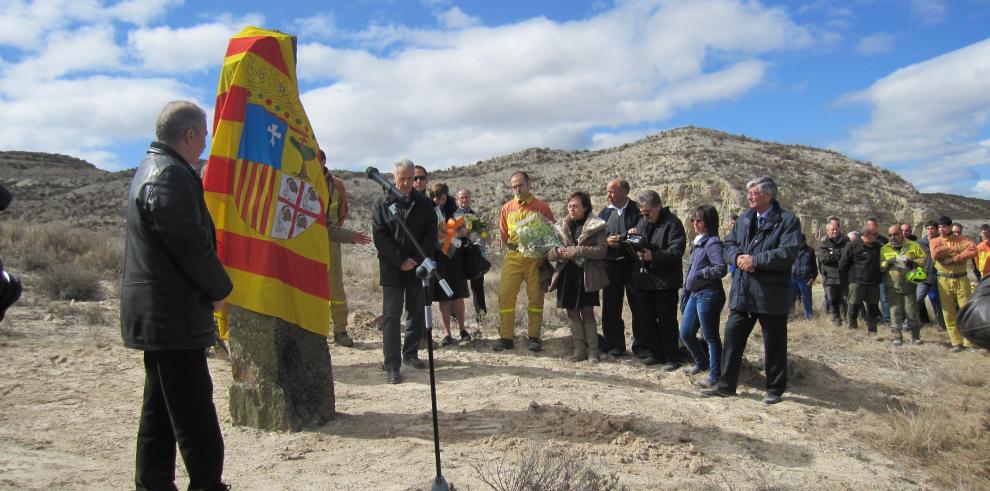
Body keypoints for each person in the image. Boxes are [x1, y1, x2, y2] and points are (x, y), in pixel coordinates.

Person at [121, 101, 232, 490]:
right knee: (194, 413)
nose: (205, 142)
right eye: (203, 134)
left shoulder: (153, 169)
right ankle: (206, 485)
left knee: (160, 411)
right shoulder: (169, 176)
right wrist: (219, 289)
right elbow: (188, 244)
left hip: (162, 315)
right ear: (189, 135)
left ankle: (152, 483)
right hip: (173, 316)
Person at [701, 177, 800, 405]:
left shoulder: (787, 221)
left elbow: (788, 253)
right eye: (748, 193)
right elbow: (728, 244)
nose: (749, 197)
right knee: (733, 337)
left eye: (753, 193)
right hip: (743, 292)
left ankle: (774, 389)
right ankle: (726, 386)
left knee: (774, 343)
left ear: (767, 195)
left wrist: (757, 260)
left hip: (771, 294)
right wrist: (737, 258)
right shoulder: (745, 219)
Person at [371, 159, 438, 383]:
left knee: (416, 311)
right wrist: (401, 260)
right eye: (403, 179)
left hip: (418, 268)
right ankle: (392, 365)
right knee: (391, 316)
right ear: (394, 178)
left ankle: (410, 354)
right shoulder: (381, 203)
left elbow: (430, 235)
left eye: (411, 178)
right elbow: (380, 237)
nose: (408, 183)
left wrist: (417, 259)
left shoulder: (424, 203)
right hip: (392, 268)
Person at [495, 171, 555, 352]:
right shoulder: (507, 208)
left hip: (535, 258)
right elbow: (504, 235)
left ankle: (534, 337)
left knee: (536, 297)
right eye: (514, 186)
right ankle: (506, 337)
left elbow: (552, 232)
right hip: (513, 256)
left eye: (520, 185)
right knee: (505, 296)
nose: (517, 189)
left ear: (530, 184)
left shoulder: (542, 207)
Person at [319, 150, 372, 347]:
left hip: (332, 241)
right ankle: (317, 330)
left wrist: (335, 232)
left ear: (323, 161)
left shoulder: (337, 185)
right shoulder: (304, 181)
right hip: (308, 243)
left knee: (335, 286)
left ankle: (340, 330)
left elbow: (342, 213)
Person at [548, 191, 608, 362]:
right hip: (568, 275)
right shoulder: (562, 226)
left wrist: (578, 250)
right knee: (572, 313)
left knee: (587, 312)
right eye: (569, 206)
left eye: (575, 206)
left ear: (585, 207)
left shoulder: (596, 226)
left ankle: (593, 352)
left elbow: (602, 250)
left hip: (587, 275)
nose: (572, 209)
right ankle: (579, 350)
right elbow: (550, 254)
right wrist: (557, 252)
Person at [628, 190, 685, 371]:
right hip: (644, 281)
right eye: (642, 213)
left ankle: (671, 357)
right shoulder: (643, 222)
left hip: (665, 282)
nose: (645, 216)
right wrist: (632, 236)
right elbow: (640, 242)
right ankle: (655, 353)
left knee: (666, 320)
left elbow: (676, 251)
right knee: (647, 319)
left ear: (658, 206)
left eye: (648, 212)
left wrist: (654, 256)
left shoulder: (673, 224)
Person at [679, 205, 727, 388]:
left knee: (710, 336)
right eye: (693, 220)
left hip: (708, 294)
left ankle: (715, 375)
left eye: (699, 220)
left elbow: (720, 268)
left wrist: (700, 274)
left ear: (708, 223)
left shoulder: (712, 243)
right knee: (686, 333)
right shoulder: (698, 242)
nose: (695, 223)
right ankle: (701, 362)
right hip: (695, 294)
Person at [598, 179, 641, 357]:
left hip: (632, 265)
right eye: (608, 192)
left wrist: (633, 235)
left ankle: (642, 346)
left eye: (612, 192)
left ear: (624, 192)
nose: (608, 195)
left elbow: (644, 231)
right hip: (610, 265)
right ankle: (615, 345)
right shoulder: (605, 213)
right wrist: (606, 241)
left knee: (639, 305)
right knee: (610, 306)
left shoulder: (637, 210)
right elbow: (596, 235)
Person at [428, 183, 471, 346]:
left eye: (442, 198)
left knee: (458, 295)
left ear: (447, 197)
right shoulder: (429, 212)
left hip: (455, 257)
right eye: (435, 198)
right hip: (439, 258)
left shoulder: (455, 212)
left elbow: (463, 231)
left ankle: (462, 329)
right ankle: (447, 333)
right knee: (443, 297)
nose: (438, 201)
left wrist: (459, 232)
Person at [930, 215, 978, 352]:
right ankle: (956, 342)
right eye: (939, 227)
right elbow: (935, 254)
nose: (941, 229)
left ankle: (969, 343)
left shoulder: (962, 239)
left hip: (961, 279)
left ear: (950, 227)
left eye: (944, 227)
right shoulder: (935, 241)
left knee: (965, 311)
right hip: (943, 279)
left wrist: (954, 259)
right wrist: (954, 248)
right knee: (948, 312)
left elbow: (973, 250)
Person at [880, 224, 926, 345]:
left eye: (895, 234)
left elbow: (923, 260)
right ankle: (897, 336)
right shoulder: (884, 248)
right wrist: (886, 263)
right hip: (892, 286)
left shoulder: (913, 245)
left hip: (909, 284)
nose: (893, 237)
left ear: (901, 234)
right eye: (890, 235)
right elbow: (880, 266)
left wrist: (912, 262)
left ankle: (915, 336)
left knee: (911, 311)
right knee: (895, 311)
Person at [840, 227, 883, 333]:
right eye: (875, 234)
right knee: (853, 306)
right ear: (866, 234)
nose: (877, 236)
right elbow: (843, 264)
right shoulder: (852, 245)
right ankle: (852, 328)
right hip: (856, 282)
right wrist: (848, 280)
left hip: (873, 283)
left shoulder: (878, 246)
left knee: (873, 307)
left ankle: (872, 330)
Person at [455, 188, 487, 324]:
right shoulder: (452, 215)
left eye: (466, 197)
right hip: (458, 255)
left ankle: (481, 317)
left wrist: (483, 236)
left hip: (475, 255)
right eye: (461, 197)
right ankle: (454, 317)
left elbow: (484, 233)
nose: (464, 200)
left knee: (478, 286)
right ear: (457, 200)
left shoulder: (476, 215)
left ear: (470, 198)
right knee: (457, 286)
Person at [818, 219, 849, 326]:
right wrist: (839, 253)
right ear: (827, 231)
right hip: (829, 277)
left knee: (845, 300)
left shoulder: (846, 240)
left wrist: (833, 252)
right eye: (832, 230)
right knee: (832, 300)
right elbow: (824, 259)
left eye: (836, 229)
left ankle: (846, 319)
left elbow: (847, 256)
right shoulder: (823, 242)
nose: (835, 231)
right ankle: (836, 320)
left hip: (844, 276)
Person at [916, 220, 947, 331]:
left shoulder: (942, 241)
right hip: (923, 276)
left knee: (939, 302)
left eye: (932, 228)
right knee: (917, 300)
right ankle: (910, 323)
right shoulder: (920, 243)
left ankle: (941, 325)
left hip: (939, 276)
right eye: (928, 228)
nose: (930, 231)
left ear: (936, 230)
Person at [866, 217, 891, 325]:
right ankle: (874, 317)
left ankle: (887, 320)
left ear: (876, 226)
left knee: (884, 298)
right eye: (869, 225)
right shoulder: (864, 239)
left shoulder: (883, 240)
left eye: (873, 225)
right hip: (868, 274)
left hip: (881, 274)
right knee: (869, 298)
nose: (871, 228)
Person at [790, 234, 818, 320]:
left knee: (807, 300)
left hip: (805, 279)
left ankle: (809, 318)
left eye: (800, 242)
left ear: (804, 242)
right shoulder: (791, 250)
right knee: (790, 300)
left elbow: (814, 266)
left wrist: (813, 278)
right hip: (792, 278)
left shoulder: (810, 251)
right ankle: (790, 317)